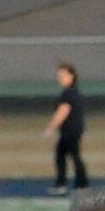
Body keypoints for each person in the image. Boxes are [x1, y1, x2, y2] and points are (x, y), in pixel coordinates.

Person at [45, 62, 88, 193]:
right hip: (73, 130)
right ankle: (78, 184)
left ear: (72, 76)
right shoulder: (74, 92)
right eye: (59, 76)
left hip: (70, 130)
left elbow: (63, 111)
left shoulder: (69, 93)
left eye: (63, 75)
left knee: (69, 156)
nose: (60, 78)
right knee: (67, 155)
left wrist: (51, 127)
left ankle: (76, 184)